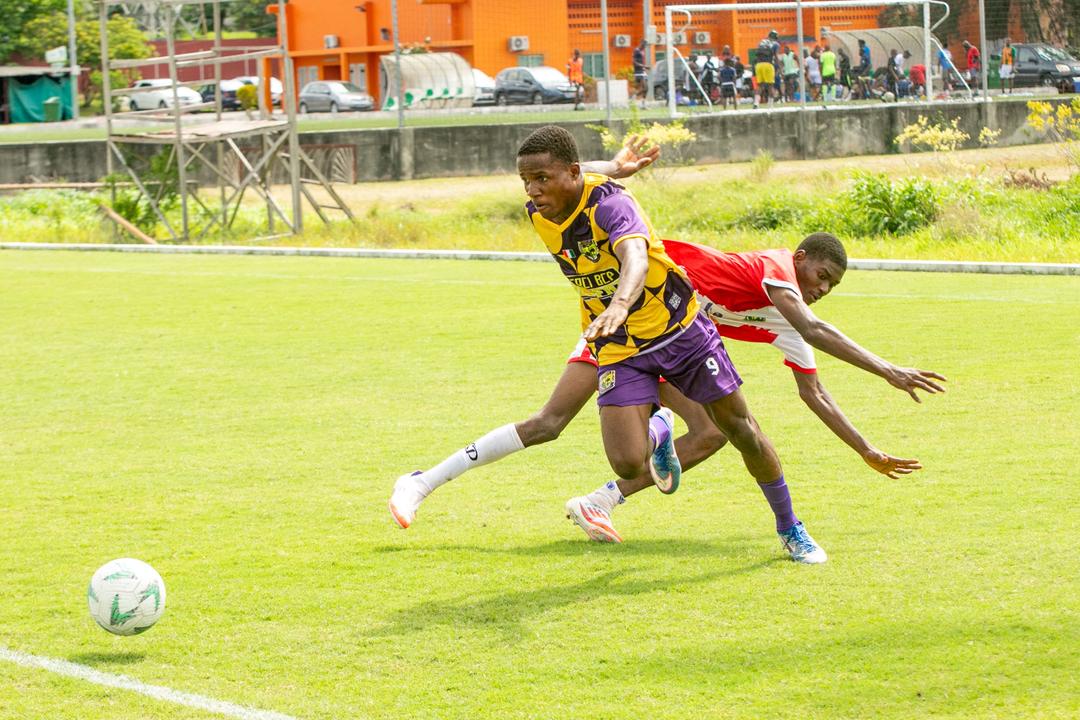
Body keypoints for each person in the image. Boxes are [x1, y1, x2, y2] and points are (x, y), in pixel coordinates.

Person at [397, 126, 834, 564]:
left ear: (571, 174)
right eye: (526, 181)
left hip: (679, 330)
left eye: (541, 180)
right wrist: (613, 165)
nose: (532, 190)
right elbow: (573, 170)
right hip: (617, 343)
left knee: (741, 431)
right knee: (626, 463)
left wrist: (620, 304)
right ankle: (657, 431)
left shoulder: (612, 204)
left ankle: (790, 528)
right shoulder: (542, 208)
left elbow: (635, 258)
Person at [567, 235, 947, 544]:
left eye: (832, 285)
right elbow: (815, 329)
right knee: (553, 421)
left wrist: (865, 450)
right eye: (822, 276)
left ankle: (604, 497)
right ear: (799, 259)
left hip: (675, 343)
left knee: (714, 432)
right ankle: (652, 433)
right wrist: (888, 370)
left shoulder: (789, 322)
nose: (823, 288)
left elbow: (815, 394)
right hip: (629, 313)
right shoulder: (776, 267)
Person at [754, 30, 780, 108]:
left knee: (760, 85)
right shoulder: (775, 44)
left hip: (758, 65)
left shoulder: (761, 42)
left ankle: (756, 103)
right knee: (770, 85)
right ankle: (770, 105)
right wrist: (779, 66)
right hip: (768, 65)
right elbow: (776, 56)